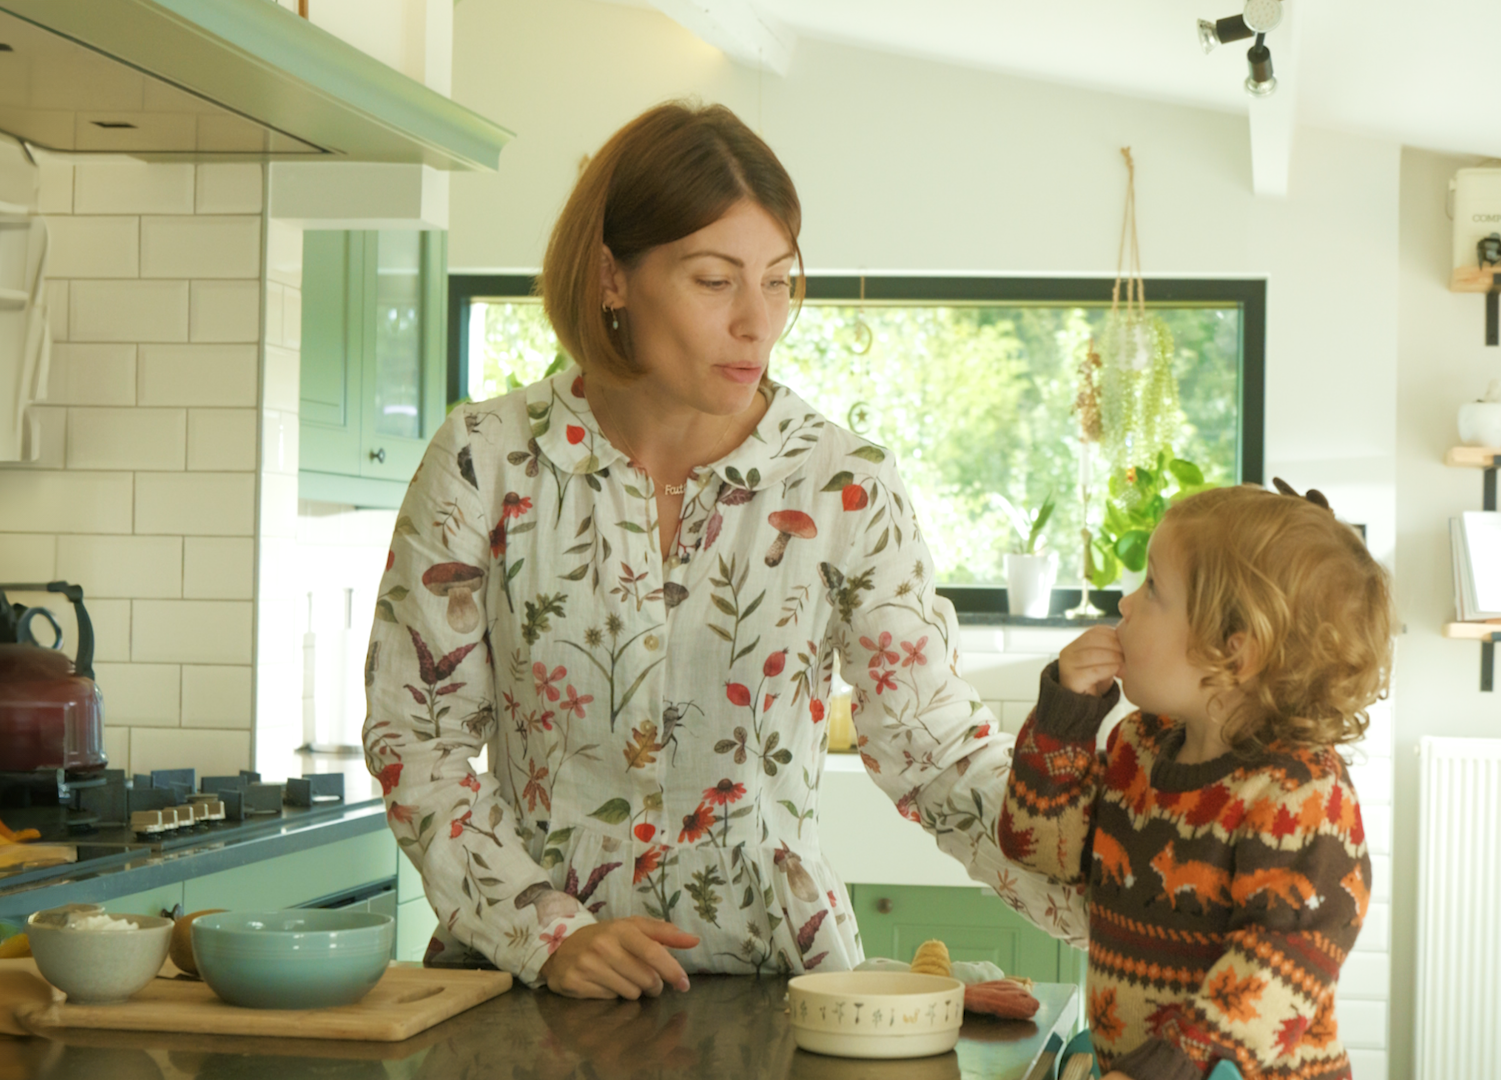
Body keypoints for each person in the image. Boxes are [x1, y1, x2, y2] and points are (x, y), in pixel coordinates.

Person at [362, 101, 1084, 999]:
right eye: (715, 281)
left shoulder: (843, 484)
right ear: (611, 278)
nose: (760, 322)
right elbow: (416, 743)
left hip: (780, 988)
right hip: (528, 987)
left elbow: (935, 750)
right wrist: (546, 932)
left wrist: (1139, 894)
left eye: (779, 280)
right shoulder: (485, 458)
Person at [998, 483, 1391, 1080]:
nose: (1126, 604)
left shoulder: (1303, 797)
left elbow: (1272, 974)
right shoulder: (1138, 746)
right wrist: (1064, 720)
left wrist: (1167, 1069)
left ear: (1234, 655)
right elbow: (1039, 849)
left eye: (1153, 587)